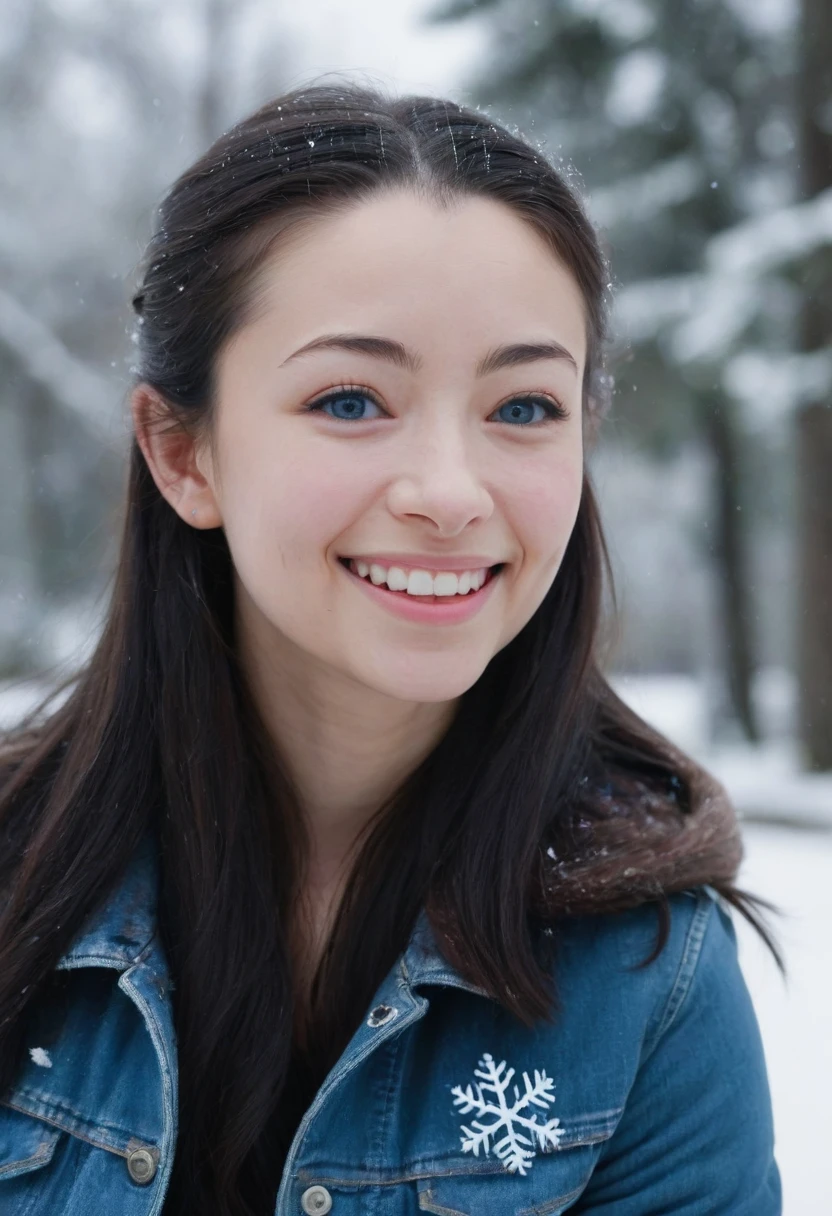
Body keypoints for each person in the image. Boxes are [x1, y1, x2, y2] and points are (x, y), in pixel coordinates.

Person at [0, 81, 781, 1216]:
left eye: (521, 409)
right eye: (354, 399)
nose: (450, 494)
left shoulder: (649, 983)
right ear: (183, 453)